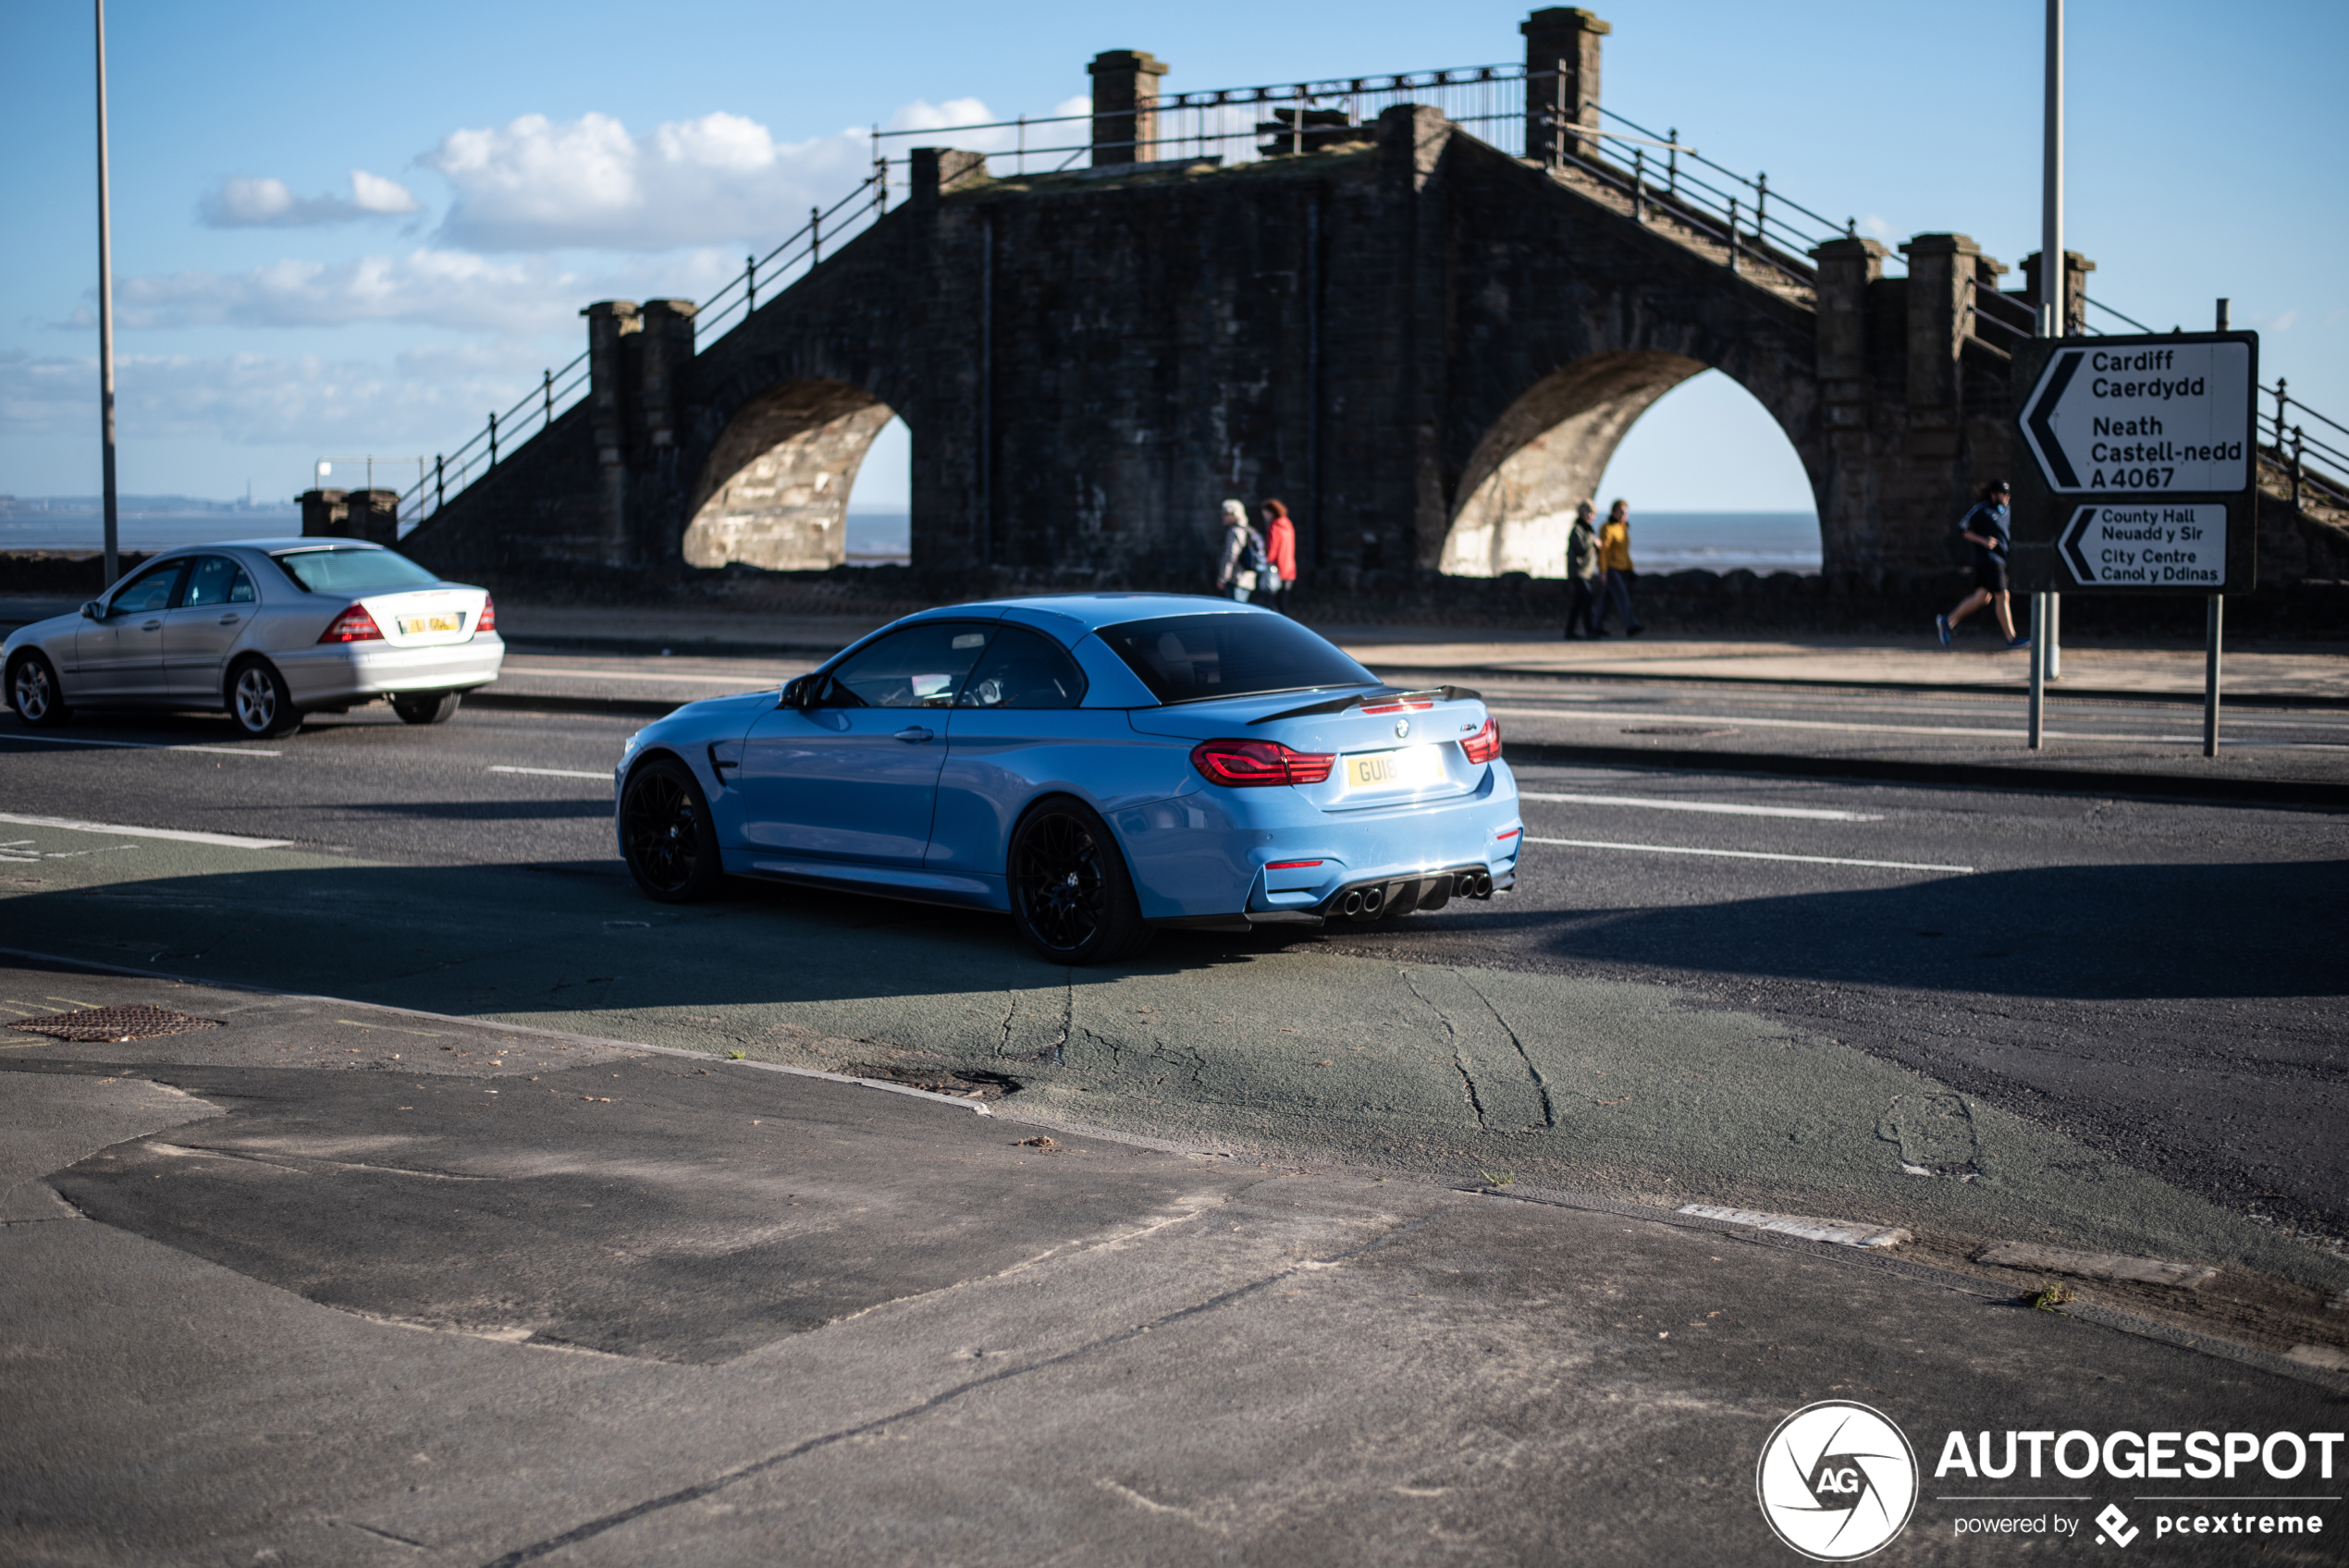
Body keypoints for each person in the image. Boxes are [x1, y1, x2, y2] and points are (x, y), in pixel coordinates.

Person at [1936, 479, 2028, 650]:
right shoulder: (1981, 510)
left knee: (1982, 598)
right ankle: (2011, 638)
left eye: (2008, 494)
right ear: (1994, 495)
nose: (2007, 497)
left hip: (2001, 559)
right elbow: (1963, 529)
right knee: (2003, 596)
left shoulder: (2007, 511)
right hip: (1988, 559)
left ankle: (1947, 622)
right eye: (2003, 494)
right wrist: (1983, 541)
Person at [1595, 498, 1644, 636]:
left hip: (1622, 569)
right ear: (1614, 512)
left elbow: (1624, 552)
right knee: (1622, 598)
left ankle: (1596, 625)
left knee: (1606, 600)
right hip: (1611, 569)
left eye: (1626, 513)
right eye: (1621, 512)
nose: (1624, 515)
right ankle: (1631, 625)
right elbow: (1604, 551)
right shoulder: (1607, 528)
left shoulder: (1623, 528)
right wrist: (1603, 571)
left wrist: (1630, 568)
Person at [1562, 501, 1601, 638]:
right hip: (1578, 572)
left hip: (1586, 572)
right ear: (1583, 513)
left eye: (1593, 514)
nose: (1592, 516)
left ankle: (1570, 631)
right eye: (1590, 513)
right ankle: (1589, 630)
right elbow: (1581, 549)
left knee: (1578, 603)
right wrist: (1594, 543)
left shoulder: (1587, 530)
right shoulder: (1577, 530)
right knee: (1587, 599)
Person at [1212, 498, 1262, 603]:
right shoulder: (1249, 529)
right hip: (1249, 579)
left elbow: (1231, 556)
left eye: (1226, 513)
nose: (1223, 516)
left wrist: (1223, 577)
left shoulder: (1235, 531)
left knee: (1234, 614)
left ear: (1235, 514)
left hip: (1236, 578)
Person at [1260, 499, 1298, 615]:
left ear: (1271, 512)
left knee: (1269, 601)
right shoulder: (1287, 524)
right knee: (1282, 601)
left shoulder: (1273, 527)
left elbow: (1272, 549)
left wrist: (1265, 563)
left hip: (1276, 569)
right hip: (1289, 567)